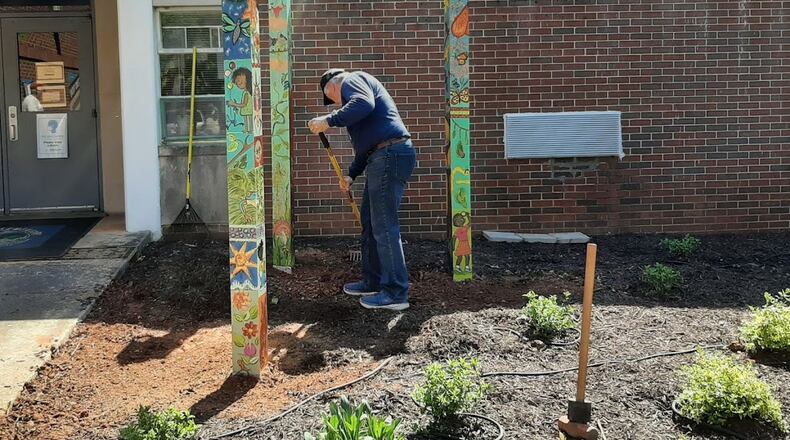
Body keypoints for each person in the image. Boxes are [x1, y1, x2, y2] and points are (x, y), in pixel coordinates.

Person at [308, 68, 416, 311]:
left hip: (390, 154)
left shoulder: (352, 79)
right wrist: (351, 174)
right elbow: (365, 148)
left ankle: (396, 293)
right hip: (381, 156)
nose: (336, 104)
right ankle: (373, 282)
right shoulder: (357, 111)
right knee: (370, 223)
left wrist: (328, 120)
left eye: (332, 100)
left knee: (384, 226)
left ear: (332, 87)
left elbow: (363, 104)